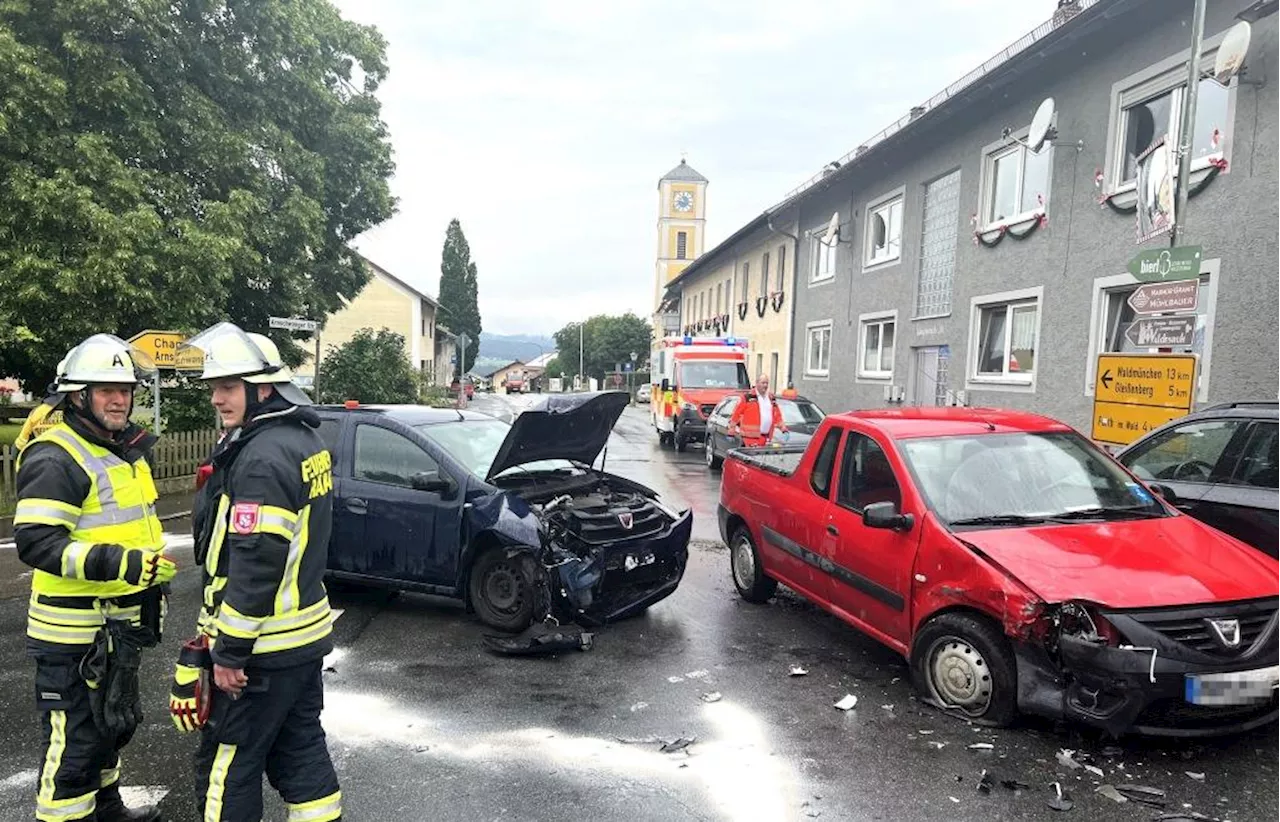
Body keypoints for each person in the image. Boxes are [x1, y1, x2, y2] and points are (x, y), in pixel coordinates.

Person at [169, 322, 341, 822]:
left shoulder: (262, 459)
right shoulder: (302, 440)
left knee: (228, 765)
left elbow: (256, 565)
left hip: (261, 650)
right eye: (214, 389)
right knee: (302, 750)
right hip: (302, 641)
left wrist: (229, 653)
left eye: (228, 387)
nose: (217, 400)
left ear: (261, 388)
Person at [13, 335, 173, 822]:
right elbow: (37, 542)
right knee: (73, 752)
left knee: (109, 730)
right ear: (78, 396)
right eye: (107, 390)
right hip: (72, 639)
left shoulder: (118, 450)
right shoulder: (56, 456)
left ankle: (108, 812)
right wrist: (120, 565)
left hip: (112, 632)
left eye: (125, 389)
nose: (121, 399)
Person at [728, 373, 788, 447]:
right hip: (749, 438)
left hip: (766, 438)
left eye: (767, 383)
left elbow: (777, 415)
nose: (765, 385)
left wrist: (784, 429)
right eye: (763, 383)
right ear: (757, 383)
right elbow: (736, 414)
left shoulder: (771, 398)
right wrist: (731, 431)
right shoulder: (748, 397)